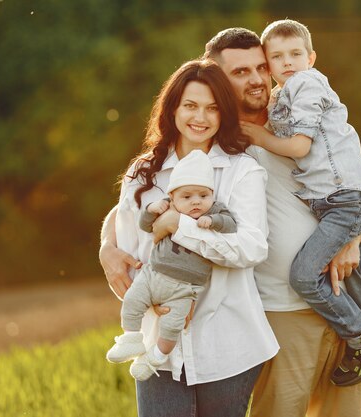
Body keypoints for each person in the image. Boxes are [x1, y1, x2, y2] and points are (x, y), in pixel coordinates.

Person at [102, 28, 361, 417]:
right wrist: (108, 246)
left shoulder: (298, 125)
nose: (258, 78)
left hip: (340, 303)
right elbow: (140, 205)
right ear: (217, 81)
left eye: (262, 66)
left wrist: (351, 240)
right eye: (241, 72)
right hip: (278, 311)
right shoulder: (216, 154)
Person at [239, 19, 361, 416]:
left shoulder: (308, 102)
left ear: (310, 59)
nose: (281, 66)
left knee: (347, 286)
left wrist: (351, 241)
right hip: (286, 306)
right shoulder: (249, 125)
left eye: (293, 56)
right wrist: (110, 243)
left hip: (340, 241)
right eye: (274, 59)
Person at [101, 59, 279, 416]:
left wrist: (176, 225)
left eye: (212, 108)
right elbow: (131, 256)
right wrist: (154, 301)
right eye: (191, 105)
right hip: (159, 342)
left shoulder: (242, 170)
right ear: (173, 109)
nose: (201, 117)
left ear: (223, 114)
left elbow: (251, 247)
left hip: (228, 340)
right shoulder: (142, 174)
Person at [106, 149, 238, 382]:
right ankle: (131, 339)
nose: (196, 201)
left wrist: (214, 221)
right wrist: (150, 211)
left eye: (203, 195)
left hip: (185, 289)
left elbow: (230, 224)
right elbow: (145, 226)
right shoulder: (167, 207)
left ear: (211, 194)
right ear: (173, 197)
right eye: (187, 197)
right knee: (133, 301)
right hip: (153, 275)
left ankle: (155, 357)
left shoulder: (215, 210)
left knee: (172, 327)